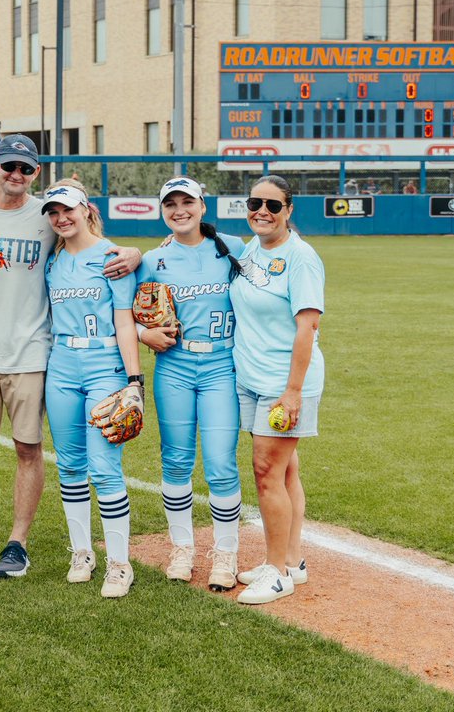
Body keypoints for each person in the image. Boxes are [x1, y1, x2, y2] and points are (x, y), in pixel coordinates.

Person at [0, 135, 140, 579]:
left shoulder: (46, 219)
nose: (16, 174)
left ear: (36, 172)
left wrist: (135, 252)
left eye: (26, 168)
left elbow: (108, 275)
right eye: (9, 166)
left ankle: (18, 544)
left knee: (29, 450)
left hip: (35, 355)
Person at [135, 177, 245, 590]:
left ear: (202, 206)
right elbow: (125, 310)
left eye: (187, 202)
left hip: (221, 364)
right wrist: (146, 335)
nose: (179, 210)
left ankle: (226, 553)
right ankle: (182, 548)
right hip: (175, 366)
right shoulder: (153, 259)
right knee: (176, 460)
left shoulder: (234, 247)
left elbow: (273, 270)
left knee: (220, 462)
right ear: (162, 211)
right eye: (171, 204)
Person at [41, 180, 144, 598]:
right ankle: (82, 552)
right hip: (61, 366)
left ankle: (120, 563)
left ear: (86, 209)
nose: (61, 218)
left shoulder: (112, 256)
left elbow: (124, 320)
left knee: (103, 466)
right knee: (69, 465)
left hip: (104, 365)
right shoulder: (52, 261)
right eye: (53, 212)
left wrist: (134, 382)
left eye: (68, 210)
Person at [228, 176, 326, 605]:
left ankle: (277, 572)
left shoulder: (301, 258)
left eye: (273, 205)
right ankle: (292, 559)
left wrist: (292, 392)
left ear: (289, 211)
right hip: (251, 378)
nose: (262, 211)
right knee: (286, 471)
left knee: (266, 474)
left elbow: (308, 328)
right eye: (255, 203)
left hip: (282, 384)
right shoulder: (251, 247)